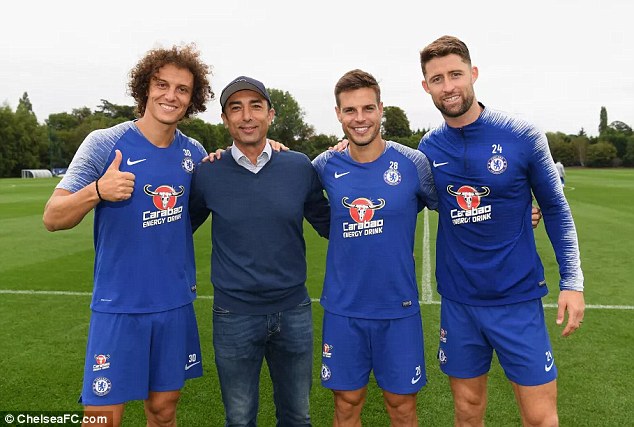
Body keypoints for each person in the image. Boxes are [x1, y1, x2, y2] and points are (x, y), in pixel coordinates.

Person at [42, 44, 214, 427]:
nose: (171, 95)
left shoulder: (194, 153)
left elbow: (193, 214)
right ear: (145, 88)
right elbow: (52, 217)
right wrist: (97, 191)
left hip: (173, 304)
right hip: (118, 305)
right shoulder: (105, 143)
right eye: (162, 84)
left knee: (164, 411)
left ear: (192, 99)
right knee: (102, 417)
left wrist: (272, 148)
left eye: (182, 89)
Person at [418, 35, 585, 426]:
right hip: (459, 301)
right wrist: (346, 148)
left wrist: (572, 282)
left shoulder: (521, 134)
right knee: (467, 411)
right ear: (426, 86)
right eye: (437, 79)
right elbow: (432, 200)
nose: (448, 86)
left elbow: (556, 208)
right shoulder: (429, 147)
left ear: (473, 74)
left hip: (517, 299)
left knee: (541, 417)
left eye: (456, 74)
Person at [188, 76, 330, 426]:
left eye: (255, 106)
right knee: (239, 419)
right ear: (225, 119)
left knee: (297, 416)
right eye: (236, 108)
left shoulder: (299, 166)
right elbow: (177, 229)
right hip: (233, 315)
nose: (247, 116)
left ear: (271, 114)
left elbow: (330, 224)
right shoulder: (208, 172)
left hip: (293, 311)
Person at [312, 69, 438, 426]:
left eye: (368, 108)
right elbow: (292, 192)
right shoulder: (323, 165)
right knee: (347, 403)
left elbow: (455, 207)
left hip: (397, 307)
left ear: (381, 109)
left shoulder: (413, 163)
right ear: (338, 114)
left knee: (401, 406)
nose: (360, 118)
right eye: (350, 110)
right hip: (343, 308)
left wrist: (517, 210)